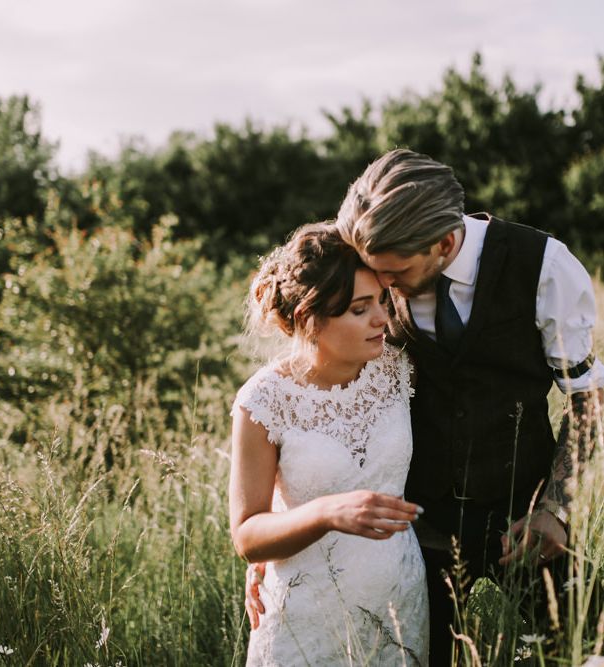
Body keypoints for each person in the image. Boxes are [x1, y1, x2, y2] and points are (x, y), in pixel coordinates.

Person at [246, 149, 604, 663]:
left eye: (397, 273)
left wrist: (557, 509)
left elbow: (587, 396)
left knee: (589, 642)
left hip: (523, 515)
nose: (384, 287)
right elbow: (320, 373)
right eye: (376, 275)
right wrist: (279, 546)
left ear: (444, 242)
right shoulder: (373, 261)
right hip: (413, 528)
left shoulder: (544, 266)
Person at [230, 222, 429, 666]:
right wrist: (326, 512)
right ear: (310, 319)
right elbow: (247, 535)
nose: (382, 319)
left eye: (381, 301)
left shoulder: (399, 370)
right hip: (305, 611)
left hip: (398, 597)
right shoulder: (263, 401)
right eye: (360, 309)